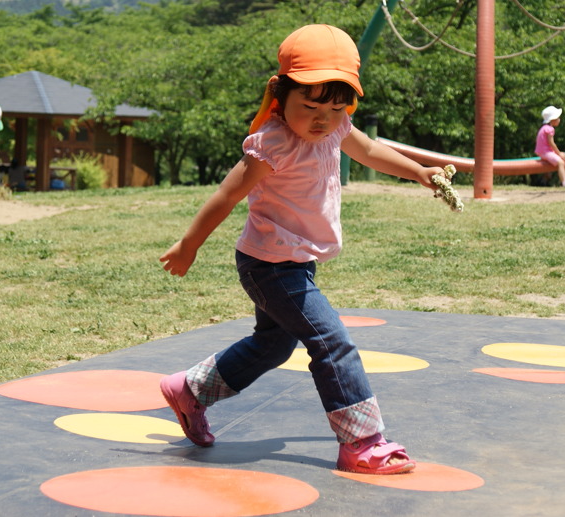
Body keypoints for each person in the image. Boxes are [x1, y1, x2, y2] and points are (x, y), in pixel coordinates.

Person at [158, 24, 447, 475]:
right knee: (333, 342)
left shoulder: (335, 129)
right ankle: (362, 443)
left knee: (273, 346)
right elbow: (226, 195)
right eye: (309, 106)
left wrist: (420, 172)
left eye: (336, 107)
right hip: (270, 265)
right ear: (281, 97)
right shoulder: (271, 143)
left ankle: (190, 391)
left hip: (295, 262)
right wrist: (188, 245)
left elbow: (369, 150)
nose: (323, 118)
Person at [535, 106, 565, 188]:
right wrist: (559, 153)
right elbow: (551, 143)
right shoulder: (550, 129)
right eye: (558, 118)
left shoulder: (543, 128)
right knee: (561, 162)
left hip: (542, 152)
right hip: (546, 152)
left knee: (562, 160)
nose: (559, 120)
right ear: (553, 120)